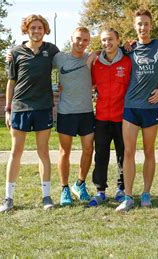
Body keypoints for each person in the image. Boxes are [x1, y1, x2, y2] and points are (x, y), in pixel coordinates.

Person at [0, 14, 59, 214]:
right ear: (26, 29)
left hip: (43, 108)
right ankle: (8, 198)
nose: (36, 31)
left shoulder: (51, 50)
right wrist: (8, 109)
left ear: (45, 30)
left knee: (43, 152)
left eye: (40, 28)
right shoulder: (15, 52)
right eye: (33, 28)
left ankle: (46, 196)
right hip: (20, 107)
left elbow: (69, 60)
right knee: (16, 152)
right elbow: (11, 82)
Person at [116, 9, 158, 211]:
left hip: (151, 107)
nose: (143, 27)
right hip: (131, 106)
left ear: (151, 25)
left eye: (146, 23)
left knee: (149, 151)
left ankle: (146, 193)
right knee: (128, 152)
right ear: (134, 26)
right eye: (139, 24)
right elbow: (106, 51)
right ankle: (128, 196)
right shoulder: (128, 49)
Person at [88, 28, 132, 207]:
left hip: (123, 117)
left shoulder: (128, 61)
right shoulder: (95, 63)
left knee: (123, 155)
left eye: (111, 40)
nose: (107, 43)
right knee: (101, 155)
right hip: (102, 117)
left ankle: (121, 189)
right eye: (104, 40)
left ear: (118, 39)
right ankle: (100, 191)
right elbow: (88, 83)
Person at [52, 27, 94, 206]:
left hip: (86, 112)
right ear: (71, 38)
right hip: (66, 112)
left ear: (88, 42)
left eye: (85, 40)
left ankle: (80, 184)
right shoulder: (59, 58)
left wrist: (98, 51)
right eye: (78, 39)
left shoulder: (91, 58)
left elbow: (111, 52)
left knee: (88, 149)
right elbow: (38, 62)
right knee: (65, 152)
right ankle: (64, 189)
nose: (81, 43)